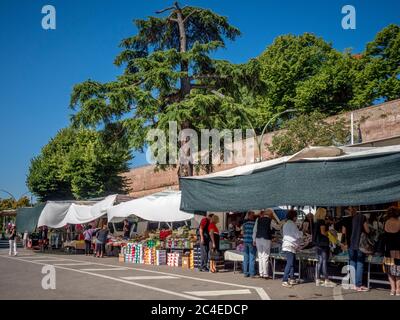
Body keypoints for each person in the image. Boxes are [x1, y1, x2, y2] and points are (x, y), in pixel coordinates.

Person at [252, 209, 280, 279]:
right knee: (265, 256)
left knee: (260, 256)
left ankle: (261, 273)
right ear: (270, 214)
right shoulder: (271, 220)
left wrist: (253, 240)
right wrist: (280, 222)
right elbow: (277, 227)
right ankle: (265, 274)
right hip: (266, 239)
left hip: (258, 238)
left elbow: (254, 230)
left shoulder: (258, 220)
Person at [313, 208, 336, 287]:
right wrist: (329, 232)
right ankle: (326, 280)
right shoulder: (322, 221)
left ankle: (318, 279)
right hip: (323, 244)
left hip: (317, 244)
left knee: (320, 261)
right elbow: (323, 232)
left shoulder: (316, 222)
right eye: (325, 213)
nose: (326, 214)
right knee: (324, 261)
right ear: (322, 213)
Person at [348, 208, 370, 292]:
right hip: (359, 244)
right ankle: (358, 285)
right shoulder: (361, 217)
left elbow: (343, 232)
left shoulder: (346, 219)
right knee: (360, 263)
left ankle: (353, 284)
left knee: (352, 262)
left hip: (350, 244)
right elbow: (367, 230)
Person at [281, 210, 303, 288]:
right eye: (296, 217)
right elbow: (297, 235)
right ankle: (285, 280)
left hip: (288, 245)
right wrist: (302, 233)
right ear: (294, 217)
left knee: (292, 263)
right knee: (290, 263)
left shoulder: (286, 224)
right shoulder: (292, 224)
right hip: (290, 246)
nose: (296, 218)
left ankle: (292, 278)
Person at [382, 207, 400, 296]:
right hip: (398, 251)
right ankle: (398, 290)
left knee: (390, 271)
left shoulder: (386, 223)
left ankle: (392, 290)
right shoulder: (399, 222)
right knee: (398, 271)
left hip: (388, 250)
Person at [242, 211, 257, 278]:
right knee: (252, 258)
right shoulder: (254, 224)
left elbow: (242, 232)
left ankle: (245, 273)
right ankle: (252, 273)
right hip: (251, 241)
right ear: (252, 216)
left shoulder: (245, 224)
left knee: (246, 258)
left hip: (245, 241)